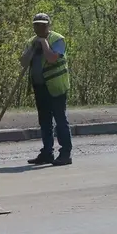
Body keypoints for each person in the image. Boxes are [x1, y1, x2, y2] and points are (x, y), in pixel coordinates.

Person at [19, 13, 73, 166]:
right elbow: (23, 62)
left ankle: (65, 153)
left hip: (56, 87)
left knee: (60, 120)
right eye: (37, 24)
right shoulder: (31, 41)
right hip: (40, 87)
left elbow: (52, 58)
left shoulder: (57, 39)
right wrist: (32, 49)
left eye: (43, 24)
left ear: (49, 25)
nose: (40, 27)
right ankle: (47, 152)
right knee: (44, 121)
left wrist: (43, 43)